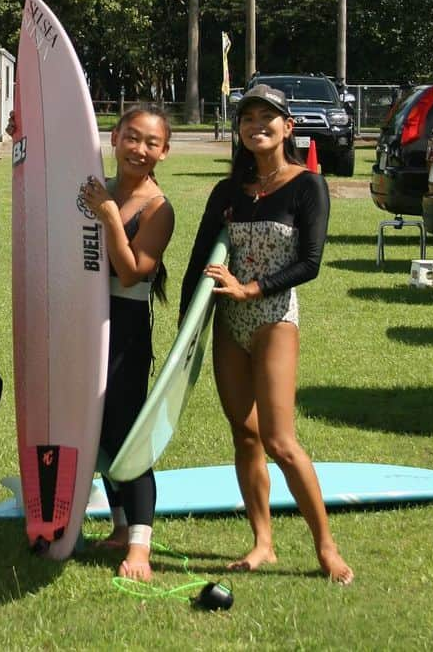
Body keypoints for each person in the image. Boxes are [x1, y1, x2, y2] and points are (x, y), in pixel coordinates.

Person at [179, 83, 353, 585]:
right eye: (248, 117)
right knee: (245, 434)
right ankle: (263, 543)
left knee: (279, 439)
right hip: (228, 323)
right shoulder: (228, 191)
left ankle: (326, 546)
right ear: (239, 130)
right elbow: (199, 258)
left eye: (268, 117)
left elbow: (311, 263)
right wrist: (186, 328)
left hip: (274, 315)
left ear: (288, 127)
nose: (258, 125)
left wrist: (252, 289)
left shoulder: (306, 186)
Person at [78, 104, 175, 582]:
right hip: (85, 322)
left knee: (128, 434)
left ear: (165, 151)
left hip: (127, 325)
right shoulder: (99, 187)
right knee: (95, 431)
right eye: (131, 138)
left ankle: (140, 546)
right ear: (114, 137)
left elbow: (133, 270)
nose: (139, 149)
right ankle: (117, 526)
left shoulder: (159, 209)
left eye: (150, 142)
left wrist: (112, 217)